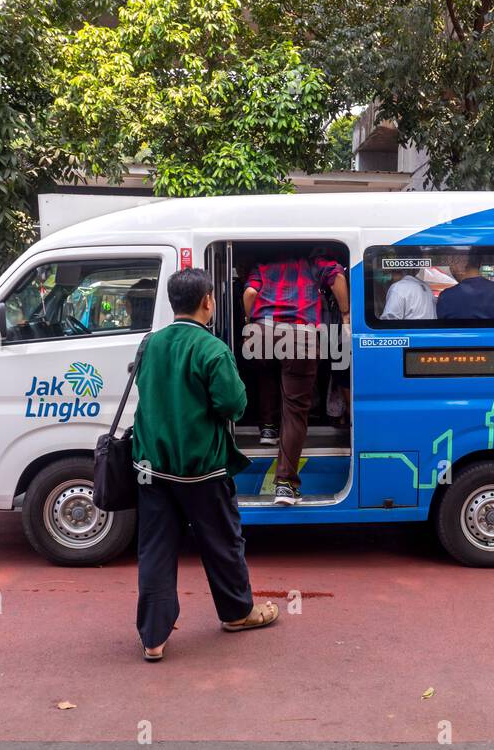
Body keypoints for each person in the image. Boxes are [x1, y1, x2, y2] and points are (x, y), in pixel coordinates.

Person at [131, 267, 279, 661]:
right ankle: (237, 613)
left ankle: (153, 638)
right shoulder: (213, 349)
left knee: (156, 550)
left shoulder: (150, 344)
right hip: (203, 469)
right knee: (222, 544)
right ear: (208, 302)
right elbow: (232, 405)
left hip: (152, 468)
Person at [243, 250, 349, 505]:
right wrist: (345, 313)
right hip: (300, 335)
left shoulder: (263, 265)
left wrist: (249, 319)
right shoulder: (315, 264)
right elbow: (336, 277)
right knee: (295, 409)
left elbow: (249, 293)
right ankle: (285, 485)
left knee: (266, 373)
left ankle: (267, 428)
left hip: (262, 331)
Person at [436, 253, 494, 320]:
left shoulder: (447, 296)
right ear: (480, 264)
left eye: (452, 263)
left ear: (461, 263)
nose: (451, 268)